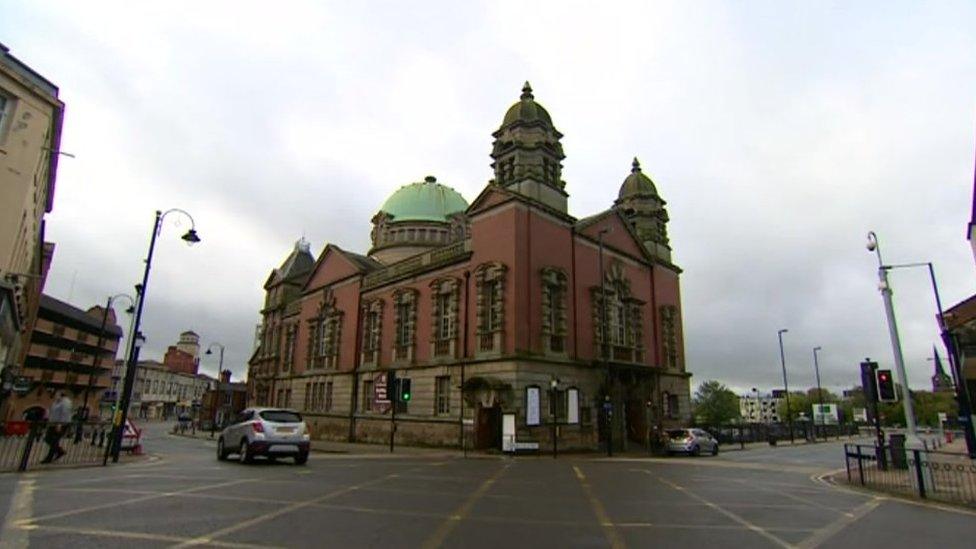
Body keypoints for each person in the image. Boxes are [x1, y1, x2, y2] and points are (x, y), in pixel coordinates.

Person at [41, 392, 73, 463]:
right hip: (53, 423)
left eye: (56, 395)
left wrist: (60, 424)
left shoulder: (66, 402)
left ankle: (49, 458)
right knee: (48, 438)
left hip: (60, 424)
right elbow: (52, 411)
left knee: (55, 440)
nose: (55, 396)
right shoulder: (57, 402)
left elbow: (65, 413)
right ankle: (60, 451)